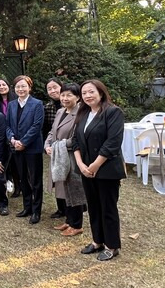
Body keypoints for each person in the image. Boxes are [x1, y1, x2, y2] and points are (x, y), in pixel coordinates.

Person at [72, 80, 125, 261]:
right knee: (93, 206)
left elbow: (113, 143)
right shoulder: (83, 112)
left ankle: (112, 245)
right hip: (86, 169)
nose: (87, 95)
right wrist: (80, 164)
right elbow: (75, 141)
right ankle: (97, 241)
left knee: (107, 207)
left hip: (106, 169)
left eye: (91, 92)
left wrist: (95, 165)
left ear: (100, 92)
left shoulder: (113, 112)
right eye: (84, 93)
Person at [44, 83, 86, 237]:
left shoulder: (81, 113)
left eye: (69, 95)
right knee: (63, 189)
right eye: (63, 95)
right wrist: (47, 144)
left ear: (78, 97)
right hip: (58, 156)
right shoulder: (61, 111)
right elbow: (52, 131)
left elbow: (77, 138)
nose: (65, 98)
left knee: (74, 190)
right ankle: (68, 220)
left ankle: (77, 225)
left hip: (71, 157)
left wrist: (56, 146)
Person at [6, 75, 45, 224]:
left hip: (32, 147)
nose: (21, 89)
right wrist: (12, 139)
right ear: (14, 89)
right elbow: (7, 125)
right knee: (22, 178)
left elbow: (37, 126)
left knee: (35, 180)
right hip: (16, 147)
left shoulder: (37, 104)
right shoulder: (11, 105)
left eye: (23, 86)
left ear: (29, 87)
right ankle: (27, 207)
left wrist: (23, 142)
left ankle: (36, 211)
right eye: (18, 87)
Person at [43, 78, 64, 217]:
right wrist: (47, 145)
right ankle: (61, 208)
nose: (52, 91)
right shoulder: (49, 107)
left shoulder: (73, 104)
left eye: (55, 87)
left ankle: (78, 207)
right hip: (55, 147)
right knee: (56, 177)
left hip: (70, 146)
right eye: (49, 89)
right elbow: (47, 128)